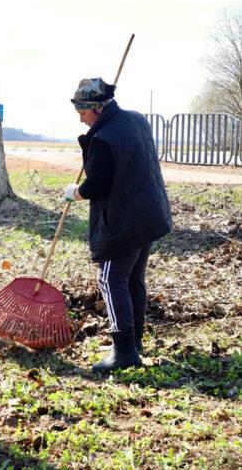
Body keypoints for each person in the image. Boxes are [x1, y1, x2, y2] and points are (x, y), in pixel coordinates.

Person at [65, 77, 172, 373]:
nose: (82, 121)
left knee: (111, 281)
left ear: (97, 109)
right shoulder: (135, 120)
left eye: (83, 114)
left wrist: (75, 192)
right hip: (148, 213)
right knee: (133, 279)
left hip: (125, 221)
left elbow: (97, 184)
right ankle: (133, 344)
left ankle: (124, 352)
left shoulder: (104, 138)